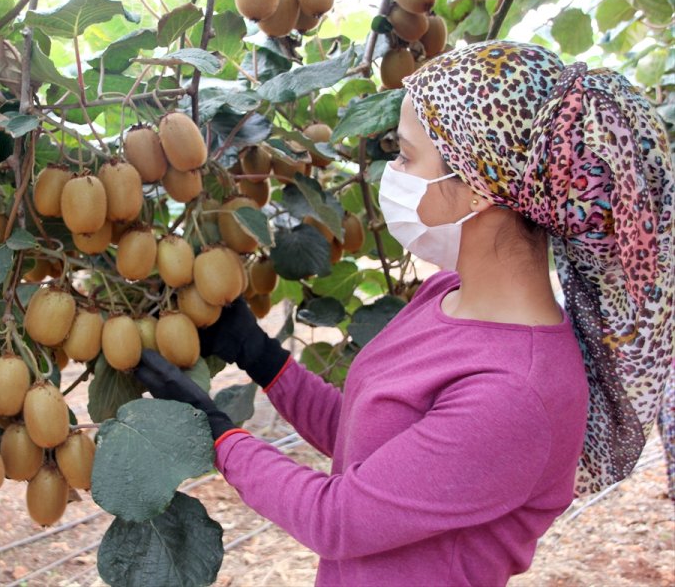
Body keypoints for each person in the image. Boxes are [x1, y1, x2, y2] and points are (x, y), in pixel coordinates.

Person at [135, 41, 674, 586]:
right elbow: (366, 439)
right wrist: (263, 357)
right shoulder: (445, 294)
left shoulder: (519, 392)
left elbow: (337, 517)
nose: (392, 170)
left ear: (477, 191)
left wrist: (219, 433)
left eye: (406, 155)